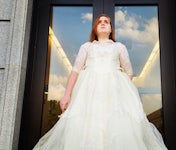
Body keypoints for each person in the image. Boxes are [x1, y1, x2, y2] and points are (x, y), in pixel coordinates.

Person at [33, 13, 168, 150]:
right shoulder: (86, 47)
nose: (103, 23)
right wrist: (67, 95)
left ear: (110, 29)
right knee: (88, 126)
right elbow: (75, 71)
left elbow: (129, 73)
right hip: (89, 95)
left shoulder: (119, 47)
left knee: (116, 127)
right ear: (95, 28)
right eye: (99, 22)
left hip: (114, 97)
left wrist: (122, 92)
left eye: (106, 22)